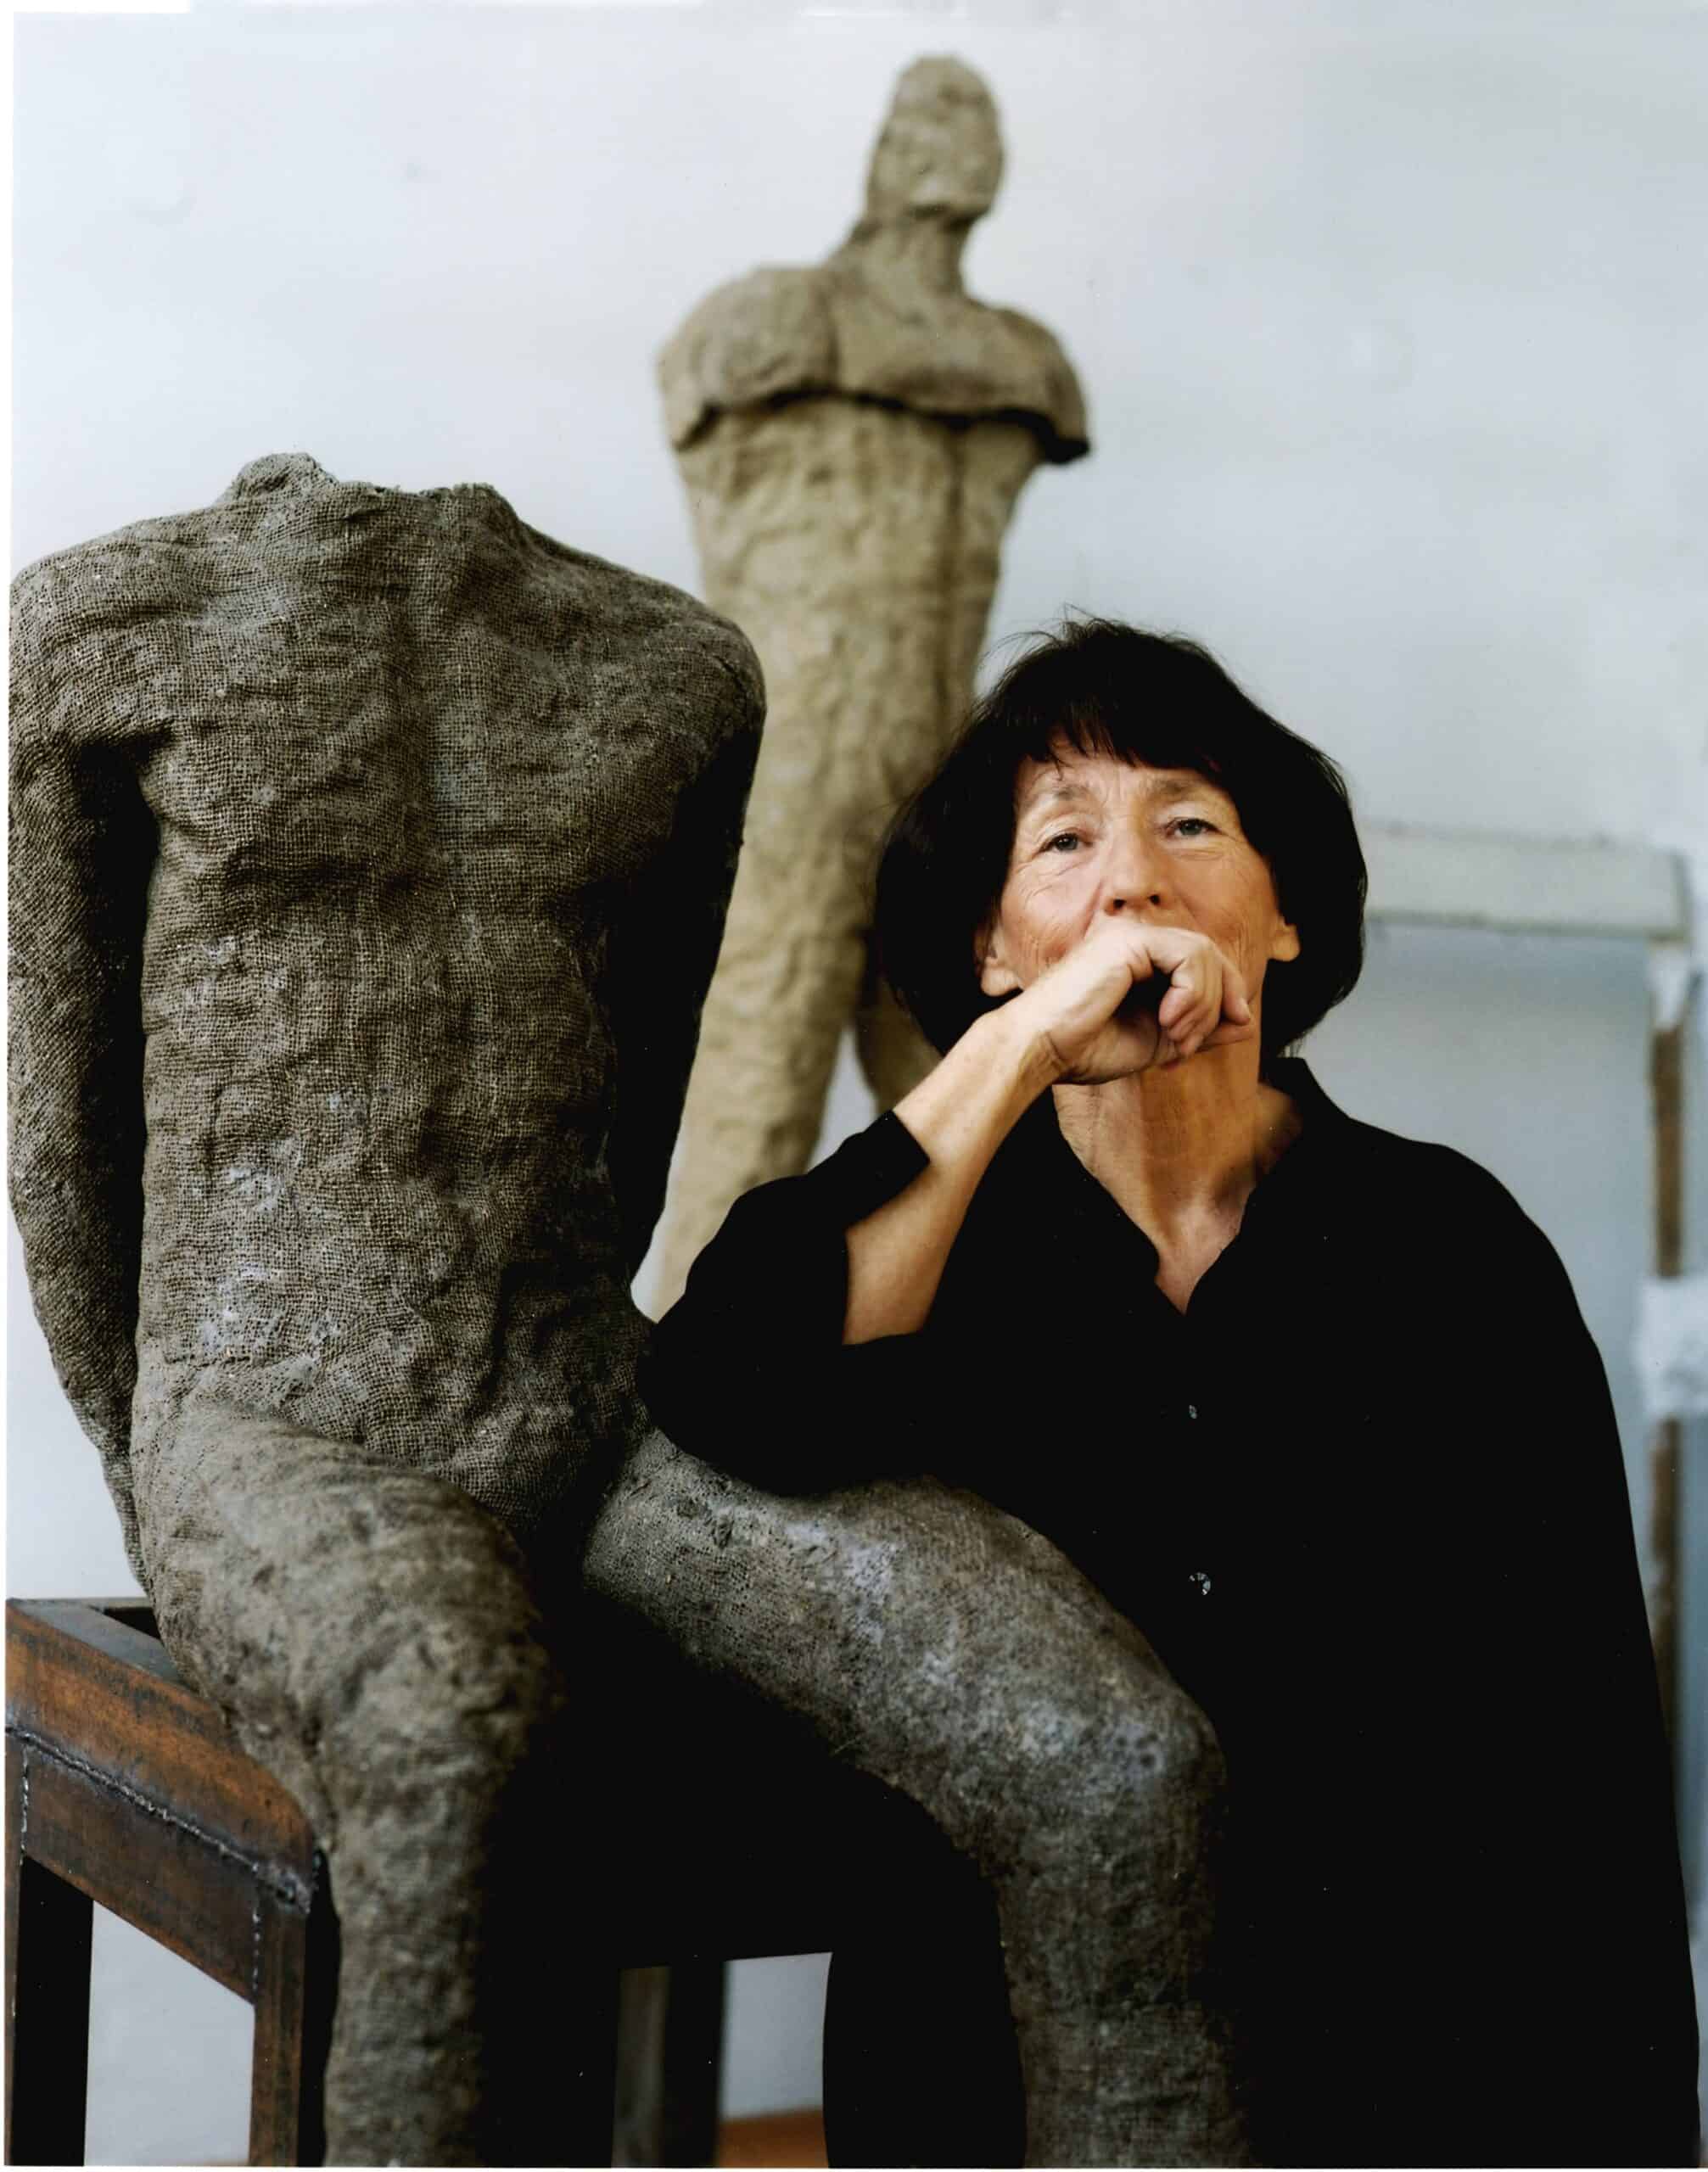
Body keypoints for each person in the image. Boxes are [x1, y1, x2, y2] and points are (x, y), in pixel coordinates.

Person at [641, 619, 1700, 2167]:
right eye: (1063, 840)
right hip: (995, 2074)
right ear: (991, 945)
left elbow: (1580, 1767)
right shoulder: (925, 1252)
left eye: (1188, 824)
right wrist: (1016, 1053)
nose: (1130, 879)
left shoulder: (1452, 1247)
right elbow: (727, 1394)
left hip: (1403, 2081)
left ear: (1279, 921)